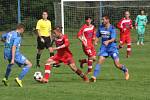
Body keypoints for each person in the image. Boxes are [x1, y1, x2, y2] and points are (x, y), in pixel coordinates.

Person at [90, 16, 129, 82]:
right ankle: (94, 77)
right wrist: (95, 41)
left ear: (108, 20)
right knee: (99, 61)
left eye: (103, 19)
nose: (102, 21)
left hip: (112, 48)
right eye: (102, 19)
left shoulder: (112, 28)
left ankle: (125, 70)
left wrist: (108, 41)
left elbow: (113, 38)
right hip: (104, 48)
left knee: (117, 65)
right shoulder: (101, 27)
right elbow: (97, 36)